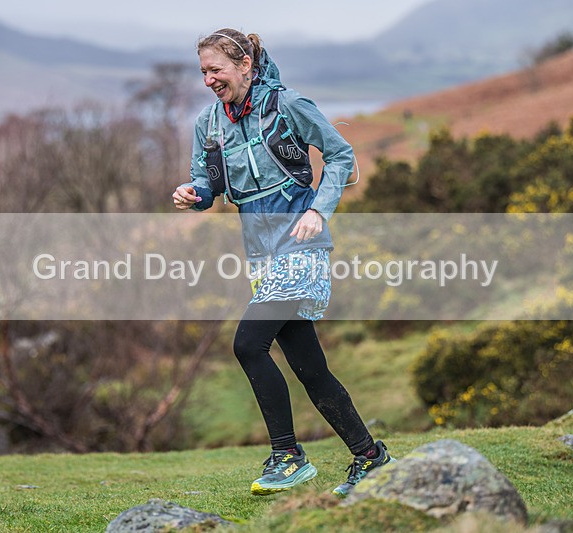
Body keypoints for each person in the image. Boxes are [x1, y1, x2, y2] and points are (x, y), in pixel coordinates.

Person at [172, 28, 395, 498]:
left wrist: (318, 210)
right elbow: (208, 183)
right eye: (203, 72)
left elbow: (340, 155)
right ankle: (371, 457)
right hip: (261, 257)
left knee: (249, 344)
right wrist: (193, 195)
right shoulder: (209, 124)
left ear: (245, 66)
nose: (209, 79)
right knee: (310, 367)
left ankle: (288, 455)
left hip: (302, 246)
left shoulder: (289, 105)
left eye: (216, 69)